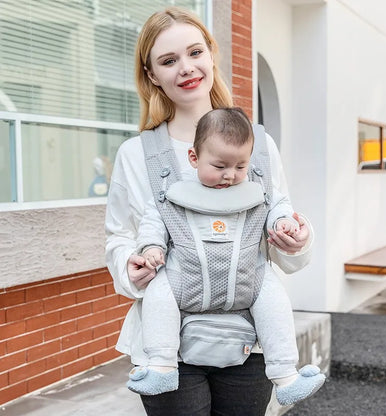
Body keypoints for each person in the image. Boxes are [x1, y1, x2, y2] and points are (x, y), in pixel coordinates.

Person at [105, 6, 317, 415]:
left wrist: (296, 241)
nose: (186, 68)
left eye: (194, 52)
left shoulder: (258, 144)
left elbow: (279, 224)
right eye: (168, 61)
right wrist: (129, 266)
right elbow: (119, 237)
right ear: (151, 75)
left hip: (250, 341)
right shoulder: (135, 155)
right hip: (168, 346)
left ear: (211, 54)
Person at [126, 107, 325, 406]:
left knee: (274, 300)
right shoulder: (175, 191)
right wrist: (151, 248)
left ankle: (285, 374)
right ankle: (162, 364)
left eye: (240, 166)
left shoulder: (257, 188)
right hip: (185, 278)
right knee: (159, 293)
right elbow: (154, 220)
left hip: (249, 279)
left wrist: (284, 224)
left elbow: (278, 204)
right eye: (219, 166)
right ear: (194, 158)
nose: (230, 176)